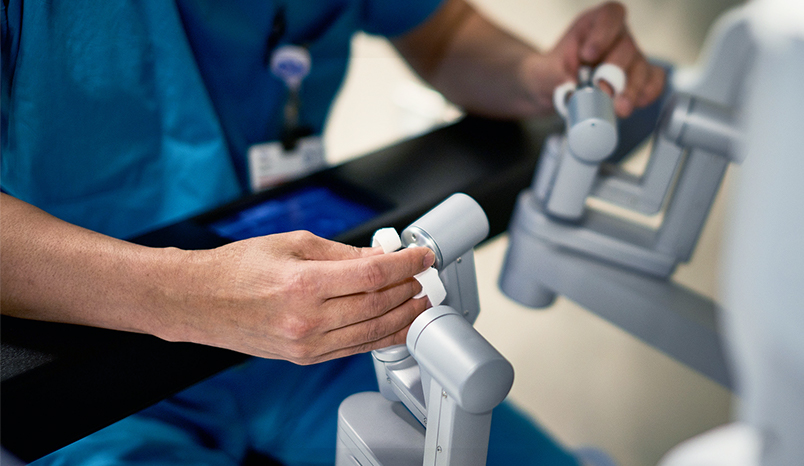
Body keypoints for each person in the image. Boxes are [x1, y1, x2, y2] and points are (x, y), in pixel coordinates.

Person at [1, 0, 665, 464]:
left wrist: (532, 75)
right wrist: (187, 297)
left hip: (314, 347)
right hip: (87, 380)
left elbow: (442, 31)